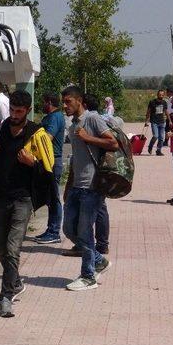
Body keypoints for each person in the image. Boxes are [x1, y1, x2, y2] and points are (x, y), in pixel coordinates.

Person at [0, 90, 53, 317]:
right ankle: (16, 282)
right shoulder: (0, 127)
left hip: (23, 199)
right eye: (12, 110)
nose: (14, 115)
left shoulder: (37, 133)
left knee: (13, 249)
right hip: (0, 196)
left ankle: (5, 296)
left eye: (19, 111)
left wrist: (32, 163)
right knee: (2, 249)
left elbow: (48, 171)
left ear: (28, 111)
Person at [61, 86, 117, 291]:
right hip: (77, 186)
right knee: (68, 228)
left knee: (85, 232)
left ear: (79, 101)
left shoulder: (92, 119)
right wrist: (68, 186)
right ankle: (98, 260)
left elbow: (113, 143)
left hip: (92, 186)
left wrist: (88, 138)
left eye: (68, 101)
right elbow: (77, 157)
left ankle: (88, 276)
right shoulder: (74, 124)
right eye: (63, 102)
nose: (64, 106)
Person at [34, 92, 65, 244]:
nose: (42, 105)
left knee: (53, 198)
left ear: (49, 102)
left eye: (44, 102)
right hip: (47, 161)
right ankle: (50, 229)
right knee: (49, 197)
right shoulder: (51, 117)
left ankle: (54, 232)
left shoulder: (55, 117)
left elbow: (47, 138)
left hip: (53, 161)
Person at [145, 90, 171, 156]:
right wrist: (146, 121)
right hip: (154, 122)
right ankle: (150, 146)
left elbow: (166, 112)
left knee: (161, 137)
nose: (161, 96)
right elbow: (148, 112)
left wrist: (170, 120)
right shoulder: (152, 102)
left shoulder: (164, 102)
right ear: (157, 95)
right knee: (155, 136)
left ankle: (158, 150)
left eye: (162, 95)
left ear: (164, 95)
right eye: (160, 95)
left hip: (162, 122)